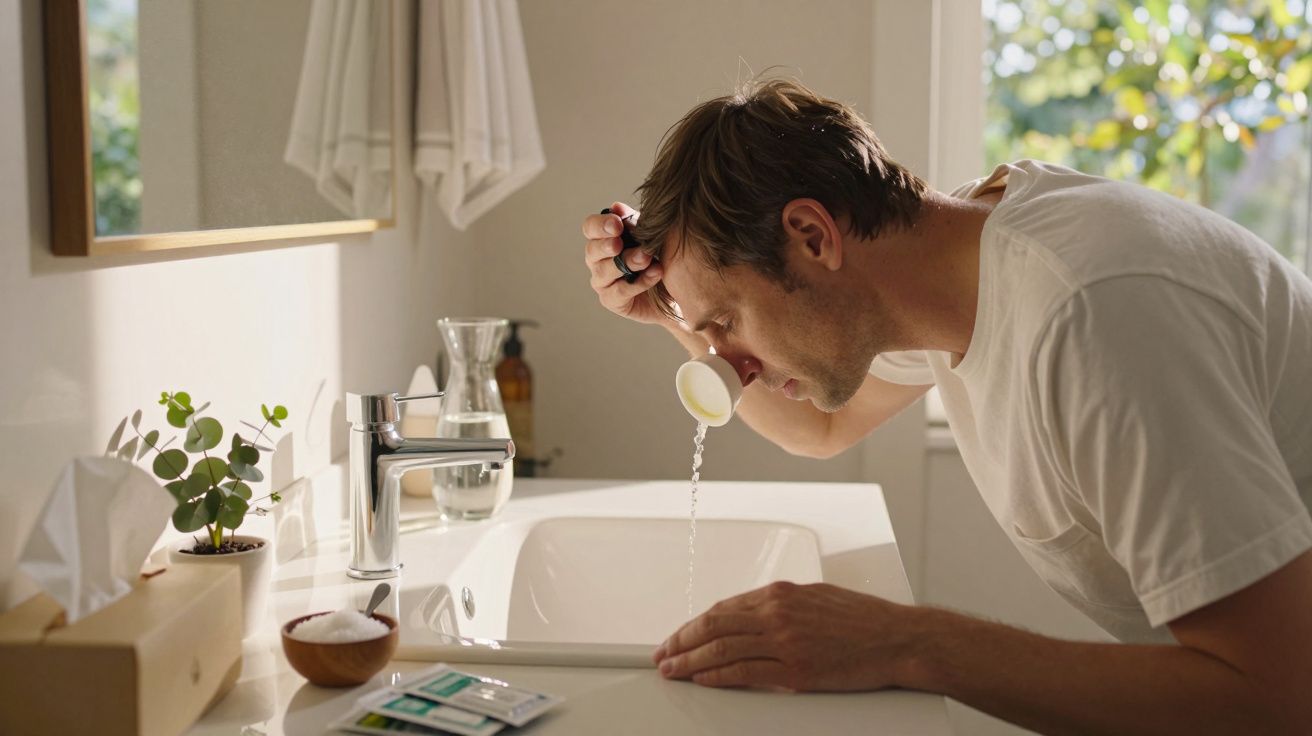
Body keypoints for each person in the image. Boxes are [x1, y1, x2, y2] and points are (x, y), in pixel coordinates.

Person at [580, 78, 1312, 733]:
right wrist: (675, 316)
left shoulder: (1095, 317)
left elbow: (1277, 698)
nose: (731, 366)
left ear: (811, 235)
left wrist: (905, 642)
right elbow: (820, 425)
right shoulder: (946, 268)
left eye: (727, 322)